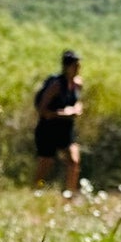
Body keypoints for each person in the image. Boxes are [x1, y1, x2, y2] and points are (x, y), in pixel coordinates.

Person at [34, 51, 83, 195]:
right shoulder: (56, 85)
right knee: (46, 164)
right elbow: (42, 110)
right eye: (75, 66)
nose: (78, 69)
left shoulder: (77, 84)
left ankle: (70, 194)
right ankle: (38, 188)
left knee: (74, 161)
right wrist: (63, 113)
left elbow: (78, 101)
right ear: (66, 66)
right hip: (48, 129)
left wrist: (76, 109)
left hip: (66, 129)